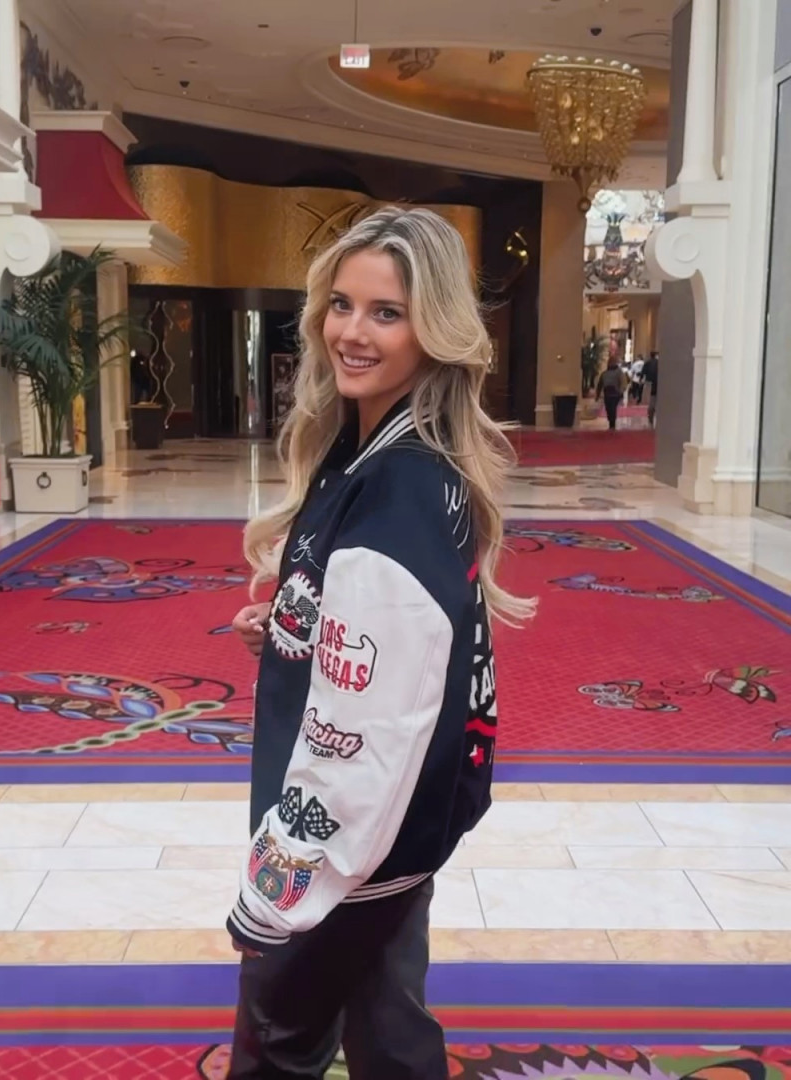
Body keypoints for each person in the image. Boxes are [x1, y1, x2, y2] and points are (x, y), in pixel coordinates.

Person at [228, 207, 532, 1079]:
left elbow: (360, 735)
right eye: (342, 304)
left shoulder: (397, 489)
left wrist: (282, 882)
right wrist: (299, 626)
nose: (351, 332)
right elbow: (400, 647)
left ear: (433, 331)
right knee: (389, 1026)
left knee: (278, 1045)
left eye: (386, 313)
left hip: (349, 838)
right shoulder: (377, 451)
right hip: (396, 829)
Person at [597, 356, 627, 431]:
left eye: (612, 362)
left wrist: (620, 391)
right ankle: (611, 421)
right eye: (610, 362)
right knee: (608, 408)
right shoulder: (605, 373)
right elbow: (600, 384)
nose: (610, 363)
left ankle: (612, 424)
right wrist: (597, 395)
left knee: (612, 408)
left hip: (615, 394)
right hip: (607, 393)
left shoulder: (619, 372)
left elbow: (623, 382)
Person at [643, 350, 659, 427]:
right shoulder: (658, 363)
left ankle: (650, 419)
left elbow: (643, 372)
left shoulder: (648, 363)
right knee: (655, 402)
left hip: (650, 383)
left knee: (651, 402)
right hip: (658, 384)